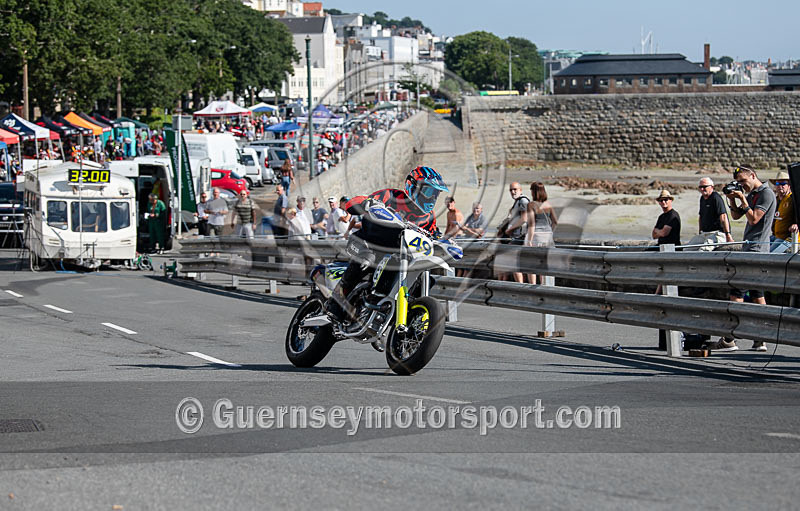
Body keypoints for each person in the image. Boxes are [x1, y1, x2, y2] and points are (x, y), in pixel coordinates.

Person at [327, 166, 448, 322]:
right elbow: (357, 201)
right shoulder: (390, 196)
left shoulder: (428, 216)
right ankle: (335, 304)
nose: (432, 198)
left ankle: (403, 314)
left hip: (397, 253)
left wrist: (441, 240)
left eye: (436, 194)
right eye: (429, 192)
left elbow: (433, 234)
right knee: (365, 261)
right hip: (368, 243)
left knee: (423, 276)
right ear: (414, 186)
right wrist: (364, 203)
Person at [707, 165, 777, 352]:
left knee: (737, 292)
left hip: (756, 251)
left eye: (743, 181)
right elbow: (738, 216)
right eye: (739, 183)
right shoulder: (753, 194)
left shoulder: (766, 194)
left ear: (753, 175)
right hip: (751, 249)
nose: (742, 185)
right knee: (757, 295)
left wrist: (742, 198)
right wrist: (732, 201)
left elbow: (754, 219)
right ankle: (760, 339)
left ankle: (729, 339)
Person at [686, 177, 733, 251]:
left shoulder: (716, 198)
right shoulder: (702, 198)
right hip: (704, 233)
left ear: (712, 187)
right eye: (700, 187)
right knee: (687, 249)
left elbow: (723, 216)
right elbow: (701, 216)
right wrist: (700, 232)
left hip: (717, 233)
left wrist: (728, 235)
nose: (702, 189)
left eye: (704, 187)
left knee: (703, 250)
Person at [495, 182, 530, 283]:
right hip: (515, 236)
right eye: (511, 190)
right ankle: (503, 284)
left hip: (520, 236)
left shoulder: (523, 201)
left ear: (520, 190)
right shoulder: (517, 202)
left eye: (515, 189)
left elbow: (524, 219)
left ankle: (519, 286)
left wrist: (510, 229)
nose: (512, 192)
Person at [525, 182, 559, 284]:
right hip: (548, 238)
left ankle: (533, 287)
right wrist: (549, 232)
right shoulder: (548, 204)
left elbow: (532, 225)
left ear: (534, 191)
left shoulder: (531, 205)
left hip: (536, 237)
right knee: (546, 264)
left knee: (532, 264)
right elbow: (555, 222)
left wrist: (529, 240)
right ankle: (547, 287)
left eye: (531, 190)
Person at [769, 171, 797, 253]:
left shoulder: (793, 199)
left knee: (769, 254)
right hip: (775, 235)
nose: (780, 186)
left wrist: (796, 224)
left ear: (789, 186)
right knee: (760, 250)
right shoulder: (775, 200)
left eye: (783, 184)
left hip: (787, 238)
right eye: (777, 184)